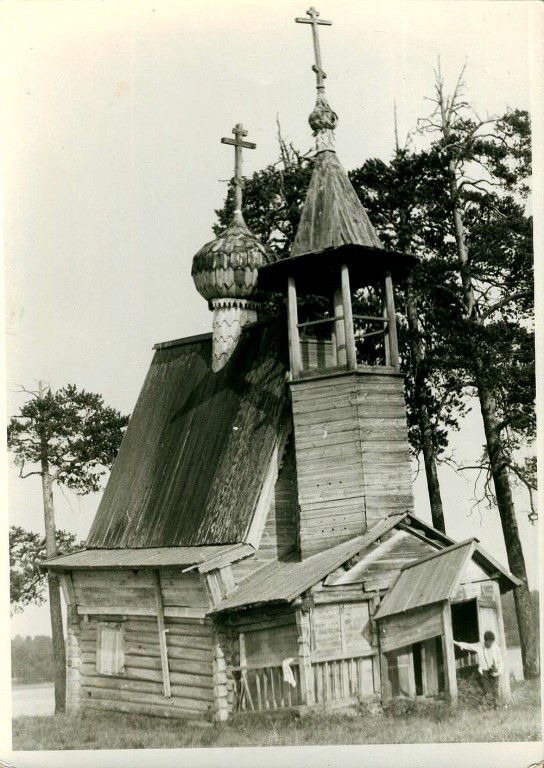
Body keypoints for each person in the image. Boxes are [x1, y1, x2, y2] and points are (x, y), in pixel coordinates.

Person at [454, 630, 504, 708]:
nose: (490, 644)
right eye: (488, 642)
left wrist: (498, 671)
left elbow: (501, 661)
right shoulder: (479, 646)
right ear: (485, 641)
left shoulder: (496, 647)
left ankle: (496, 706)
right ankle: (488, 706)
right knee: (486, 689)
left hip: (494, 671)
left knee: (494, 689)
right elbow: (468, 646)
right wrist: (454, 642)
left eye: (492, 642)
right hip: (484, 671)